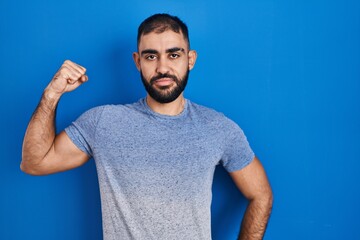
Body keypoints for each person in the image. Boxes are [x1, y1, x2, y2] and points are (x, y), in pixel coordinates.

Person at [21, 13, 273, 240]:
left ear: (190, 59)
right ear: (137, 61)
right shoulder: (104, 122)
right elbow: (35, 163)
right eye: (151, 56)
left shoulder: (218, 128)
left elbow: (261, 195)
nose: (162, 67)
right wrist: (51, 95)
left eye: (173, 55)